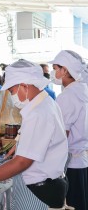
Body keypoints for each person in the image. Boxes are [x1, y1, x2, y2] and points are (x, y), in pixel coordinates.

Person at [0, 59, 69, 209]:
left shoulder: (38, 113)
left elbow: (22, 162)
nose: (11, 97)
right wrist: (20, 144)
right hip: (47, 183)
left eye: (11, 91)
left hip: (40, 189)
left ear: (24, 86)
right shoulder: (46, 103)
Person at [49, 50, 88, 210]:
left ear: (64, 70)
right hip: (83, 160)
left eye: (56, 68)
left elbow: (61, 135)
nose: (54, 72)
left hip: (71, 164)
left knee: (73, 203)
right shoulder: (83, 90)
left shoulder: (67, 96)